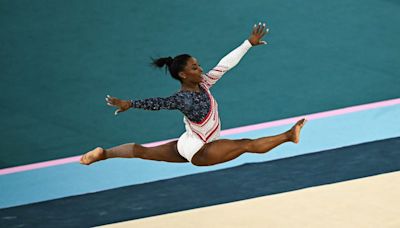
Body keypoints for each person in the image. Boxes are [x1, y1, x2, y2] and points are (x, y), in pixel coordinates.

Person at [80, 22, 307, 167]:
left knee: (143, 151)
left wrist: (247, 44)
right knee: (245, 145)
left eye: (198, 65)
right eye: (195, 68)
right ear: (183, 75)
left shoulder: (204, 83)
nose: (200, 69)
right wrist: (131, 103)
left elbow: (225, 64)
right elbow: (160, 103)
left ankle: (104, 154)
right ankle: (289, 136)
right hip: (201, 150)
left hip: (186, 143)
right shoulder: (184, 98)